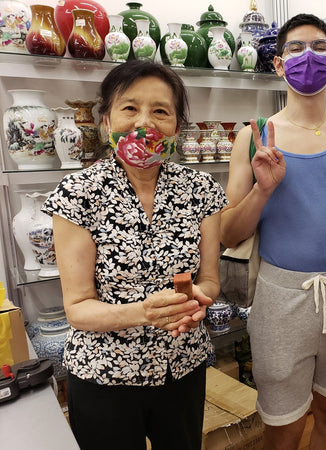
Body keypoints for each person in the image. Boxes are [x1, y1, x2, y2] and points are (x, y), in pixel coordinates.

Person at [221, 13, 326, 449]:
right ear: (278, 65)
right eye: (295, 48)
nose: (308, 56)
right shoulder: (253, 137)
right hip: (280, 297)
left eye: (319, 47)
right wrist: (262, 189)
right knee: (283, 425)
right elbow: (227, 233)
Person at [41, 60, 227, 450]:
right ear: (107, 120)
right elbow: (77, 307)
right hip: (103, 375)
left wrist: (198, 301)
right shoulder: (78, 192)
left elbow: (208, 279)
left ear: (177, 127)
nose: (145, 121)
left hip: (182, 366)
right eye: (130, 108)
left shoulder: (201, 188)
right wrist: (146, 312)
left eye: (161, 110)